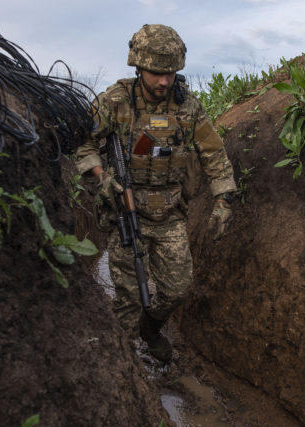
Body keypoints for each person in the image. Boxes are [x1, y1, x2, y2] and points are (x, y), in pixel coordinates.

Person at [75, 24, 237, 363]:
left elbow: (214, 155)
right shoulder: (115, 102)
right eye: (156, 73)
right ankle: (126, 367)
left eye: (170, 73)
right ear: (138, 66)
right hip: (125, 210)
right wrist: (102, 176)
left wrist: (223, 199)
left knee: (177, 289)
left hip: (170, 215)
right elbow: (82, 141)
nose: (164, 81)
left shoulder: (188, 108)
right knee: (130, 298)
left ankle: (149, 330)